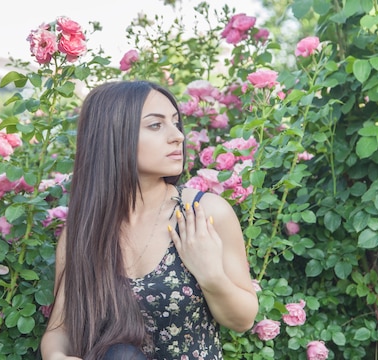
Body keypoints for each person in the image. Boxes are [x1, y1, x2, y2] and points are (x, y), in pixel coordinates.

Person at [40, 80, 258, 360]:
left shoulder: (202, 214)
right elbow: (60, 329)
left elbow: (243, 321)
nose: (178, 136)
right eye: (155, 125)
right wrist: (56, 356)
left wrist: (210, 274)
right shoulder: (84, 230)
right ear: (114, 135)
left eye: (175, 123)